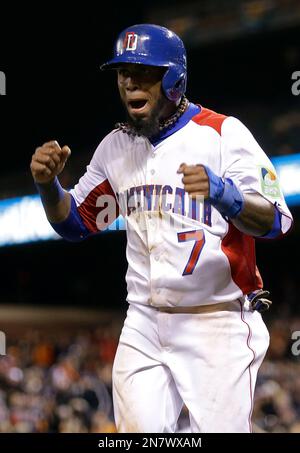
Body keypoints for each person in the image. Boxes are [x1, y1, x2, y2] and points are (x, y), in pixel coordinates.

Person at [30, 24, 293, 433]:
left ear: (174, 79)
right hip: (144, 322)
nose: (130, 82)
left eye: (144, 71)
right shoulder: (115, 147)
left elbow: (277, 220)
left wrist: (228, 196)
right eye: (123, 73)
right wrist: (48, 186)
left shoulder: (222, 133)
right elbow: (76, 224)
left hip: (216, 322)